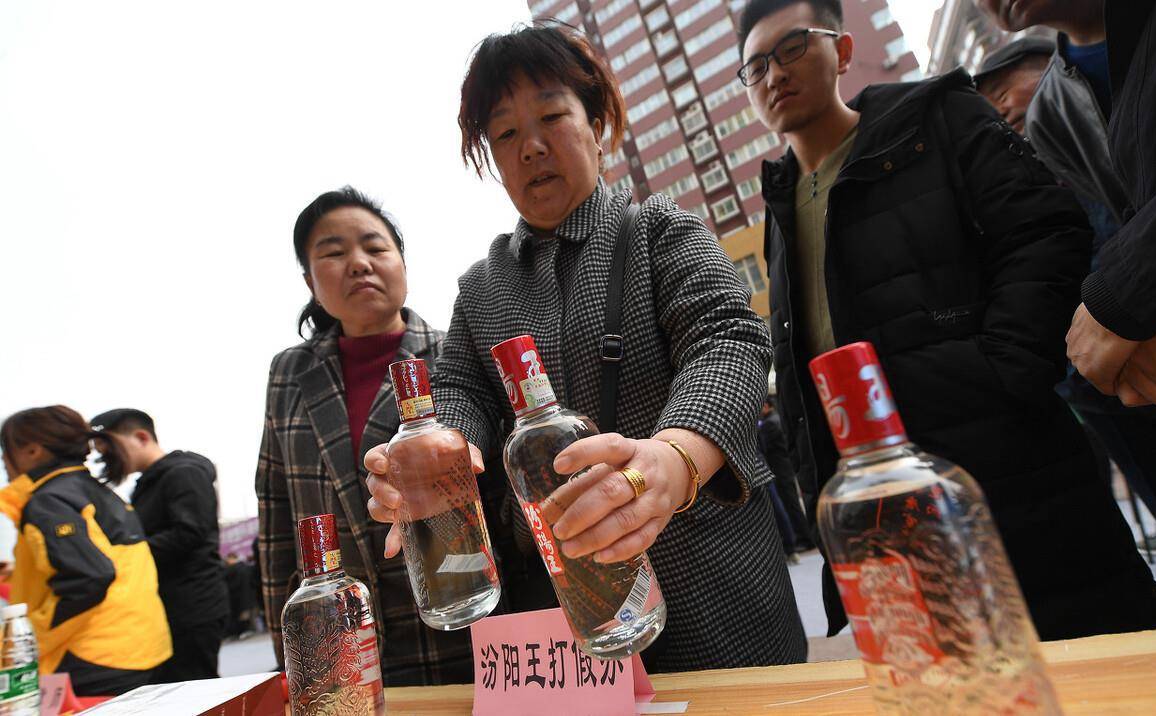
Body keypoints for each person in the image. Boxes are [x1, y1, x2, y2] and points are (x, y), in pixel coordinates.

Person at [363, 23, 806, 673]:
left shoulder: (660, 229)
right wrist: (437, 459)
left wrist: (674, 457)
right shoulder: (481, 288)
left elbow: (727, 337)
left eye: (551, 117)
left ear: (597, 125)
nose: (531, 147)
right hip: (569, 618)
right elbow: (458, 391)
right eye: (505, 134)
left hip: (711, 585)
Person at [737, 0, 1156, 641]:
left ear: (843, 49)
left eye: (792, 47)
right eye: (755, 67)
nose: (774, 73)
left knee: (1104, 663)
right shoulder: (779, 210)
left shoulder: (934, 118)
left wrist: (1004, 370)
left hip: (1016, 480)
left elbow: (1047, 232)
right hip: (887, 519)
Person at [976, 0, 1156, 594]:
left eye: (1003, 90)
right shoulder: (1051, 119)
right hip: (1121, 373)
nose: (1001, 109)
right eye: (986, 103)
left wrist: (1126, 298)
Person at [256, 186, 486, 685]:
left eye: (375, 247)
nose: (359, 263)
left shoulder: (454, 354)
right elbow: (275, 513)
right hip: (337, 644)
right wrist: (289, 658)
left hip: (457, 626)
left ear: (402, 262)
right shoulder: (289, 373)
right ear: (310, 280)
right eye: (333, 253)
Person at [0, 406, 171, 695]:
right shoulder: (95, 491)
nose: (4, 460)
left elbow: (89, 578)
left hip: (89, 656)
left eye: (6, 449)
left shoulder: (49, 500)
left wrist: (25, 637)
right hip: (137, 646)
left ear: (32, 451)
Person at [89, 408, 229, 683]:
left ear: (141, 437)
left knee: (194, 690)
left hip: (192, 606)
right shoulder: (148, 483)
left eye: (111, 450)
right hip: (169, 605)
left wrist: (126, 555)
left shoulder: (184, 473)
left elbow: (189, 533)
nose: (108, 460)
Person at [757, 398, 814, 560]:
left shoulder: (768, 424)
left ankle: (803, 538)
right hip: (785, 466)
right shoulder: (777, 419)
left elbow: (766, 448)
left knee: (789, 504)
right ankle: (803, 537)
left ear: (766, 406)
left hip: (779, 468)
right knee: (792, 502)